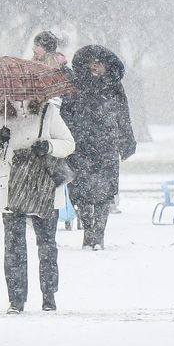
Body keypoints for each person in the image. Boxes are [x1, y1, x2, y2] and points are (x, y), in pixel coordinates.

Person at [0, 99, 75, 314]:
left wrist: (49, 146)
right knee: (14, 247)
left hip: (43, 185)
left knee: (47, 245)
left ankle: (49, 296)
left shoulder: (48, 111)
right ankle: (16, 299)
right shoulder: (0, 113)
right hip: (11, 187)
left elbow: (69, 143)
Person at [60, 45, 136, 250]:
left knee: (104, 193)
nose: (94, 66)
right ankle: (88, 231)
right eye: (91, 62)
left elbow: (123, 115)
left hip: (107, 145)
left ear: (106, 66)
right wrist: (64, 138)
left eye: (99, 63)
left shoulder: (114, 87)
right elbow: (66, 112)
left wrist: (127, 140)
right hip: (81, 145)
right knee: (82, 192)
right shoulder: (76, 85)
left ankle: (99, 235)